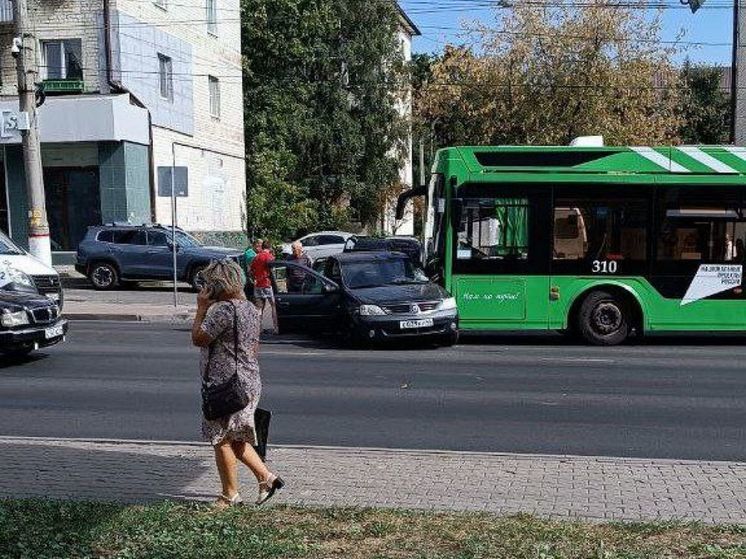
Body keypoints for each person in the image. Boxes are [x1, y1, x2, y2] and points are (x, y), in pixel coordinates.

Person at [191, 259, 284, 508]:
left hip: (226, 385)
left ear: (217, 285)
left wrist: (201, 308)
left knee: (219, 438)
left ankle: (229, 495)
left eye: (209, 284)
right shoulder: (251, 309)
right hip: (249, 381)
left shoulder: (222, 311)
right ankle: (267, 478)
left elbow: (199, 339)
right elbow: (254, 347)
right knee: (237, 438)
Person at [250, 240, 278, 335]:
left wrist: (255, 278)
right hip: (267, 283)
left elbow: (250, 271)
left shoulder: (256, 257)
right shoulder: (268, 256)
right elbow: (273, 266)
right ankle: (276, 327)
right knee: (273, 305)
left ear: (262, 247)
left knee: (259, 308)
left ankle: (259, 328)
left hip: (258, 284)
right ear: (269, 248)